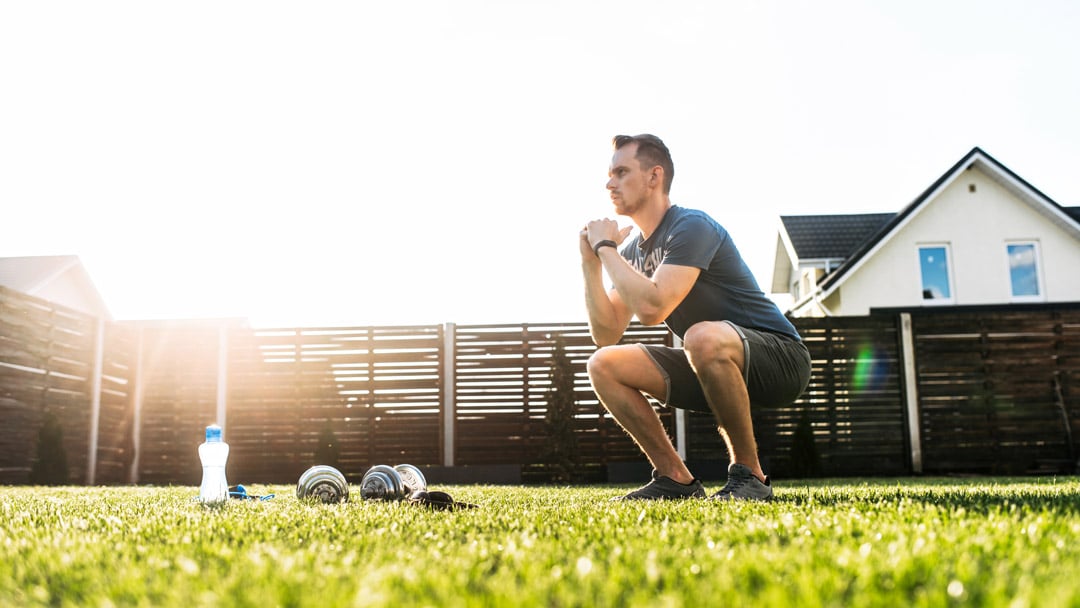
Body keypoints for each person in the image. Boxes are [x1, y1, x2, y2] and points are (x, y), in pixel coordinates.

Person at [579, 134, 811, 501]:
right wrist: (591, 263)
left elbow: (653, 309)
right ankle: (675, 480)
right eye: (610, 174)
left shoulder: (690, 226)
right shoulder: (630, 252)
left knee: (701, 336)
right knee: (603, 363)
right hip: (708, 359)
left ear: (654, 177)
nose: (610, 183)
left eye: (621, 172)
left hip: (780, 359)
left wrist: (606, 247)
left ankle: (751, 478)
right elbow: (606, 333)